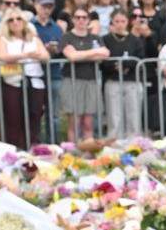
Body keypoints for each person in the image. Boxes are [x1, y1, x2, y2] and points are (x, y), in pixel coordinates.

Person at [0, 8, 53, 145]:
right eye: (11, 20)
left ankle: (33, 146)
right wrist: (26, 55)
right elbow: (3, 56)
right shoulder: (4, 39)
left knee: (34, 115)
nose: (15, 22)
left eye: (18, 19)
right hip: (12, 82)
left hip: (34, 81)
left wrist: (30, 55)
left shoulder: (33, 38)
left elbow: (45, 56)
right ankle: (16, 149)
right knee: (13, 117)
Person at [58, 11, 107, 141]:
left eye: (84, 17)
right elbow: (72, 56)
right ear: (73, 20)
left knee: (88, 123)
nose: (81, 20)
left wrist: (79, 54)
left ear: (88, 20)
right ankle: (73, 154)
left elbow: (105, 53)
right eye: (77, 17)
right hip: (72, 81)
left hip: (91, 81)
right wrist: (94, 52)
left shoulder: (95, 38)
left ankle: (87, 155)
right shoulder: (67, 37)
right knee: (74, 123)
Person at [99, 10, 147, 139]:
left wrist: (126, 65)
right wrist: (114, 66)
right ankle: (114, 142)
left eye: (123, 21)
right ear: (112, 23)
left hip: (132, 80)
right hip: (112, 80)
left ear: (127, 22)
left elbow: (140, 58)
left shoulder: (135, 40)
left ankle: (135, 142)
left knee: (134, 113)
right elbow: (102, 59)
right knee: (114, 115)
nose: (120, 24)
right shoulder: (105, 39)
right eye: (117, 21)